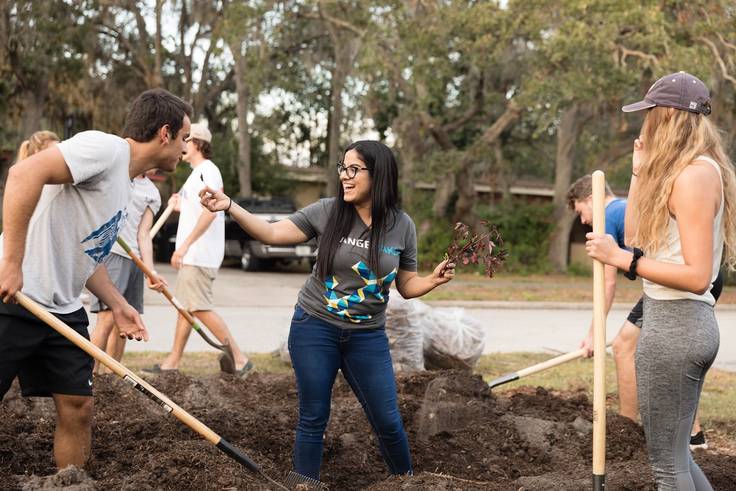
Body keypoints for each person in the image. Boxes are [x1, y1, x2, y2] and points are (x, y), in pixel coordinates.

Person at [200, 140, 456, 482]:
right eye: (343, 168)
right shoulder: (328, 211)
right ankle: (305, 487)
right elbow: (274, 233)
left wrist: (432, 281)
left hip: (367, 336)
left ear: (378, 175)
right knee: (314, 417)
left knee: (388, 419)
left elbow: (406, 286)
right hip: (315, 328)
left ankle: (409, 484)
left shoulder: (401, 225)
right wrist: (231, 205)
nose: (345, 177)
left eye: (354, 170)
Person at [0, 88, 192, 470]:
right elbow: (23, 174)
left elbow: (90, 253)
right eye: (184, 139)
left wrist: (120, 305)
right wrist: (11, 262)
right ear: (165, 133)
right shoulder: (105, 150)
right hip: (16, 297)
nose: (185, 149)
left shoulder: (129, 184)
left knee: (78, 406)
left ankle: (71, 483)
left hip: (63, 310)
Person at [586, 71, 735, 490]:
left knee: (666, 467)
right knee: (676, 459)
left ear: (668, 115)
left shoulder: (694, 176)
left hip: (676, 328)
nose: (644, 122)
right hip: (676, 325)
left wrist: (623, 261)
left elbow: (697, 275)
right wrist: (639, 172)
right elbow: (634, 236)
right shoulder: (685, 172)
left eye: (650, 113)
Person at [568, 176, 722, 450]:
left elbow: (608, 283)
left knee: (623, 345)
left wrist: (593, 334)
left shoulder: (609, 217)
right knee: (669, 356)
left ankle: (625, 429)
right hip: (691, 279)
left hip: (683, 282)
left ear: (591, 199)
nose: (582, 221)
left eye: (581, 212)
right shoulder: (624, 209)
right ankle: (694, 436)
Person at [144, 123, 252, 375]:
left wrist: (184, 246)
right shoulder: (197, 174)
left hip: (200, 253)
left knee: (198, 307)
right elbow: (197, 209)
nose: (181, 145)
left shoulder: (208, 171)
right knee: (185, 307)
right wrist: (180, 204)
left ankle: (239, 358)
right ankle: (172, 362)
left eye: (185, 140)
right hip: (196, 253)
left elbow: (210, 213)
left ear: (197, 144)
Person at [90, 170, 167, 371]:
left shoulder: (152, 192)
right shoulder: (120, 175)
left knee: (126, 321)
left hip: (133, 259)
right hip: (111, 253)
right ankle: (88, 377)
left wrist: (150, 271)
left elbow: (144, 234)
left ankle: (112, 376)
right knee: (106, 319)